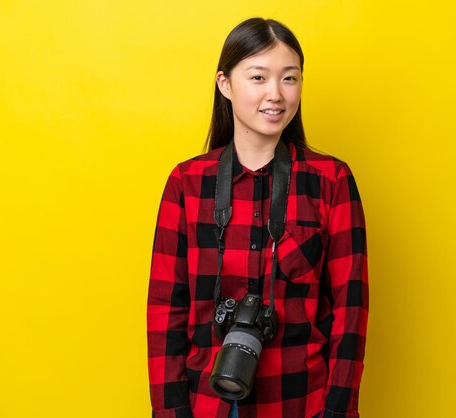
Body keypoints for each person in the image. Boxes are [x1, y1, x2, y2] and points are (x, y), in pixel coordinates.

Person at [147, 17, 368, 418]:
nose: (276, 94)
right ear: (225, 84)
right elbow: (165, 312)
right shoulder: (187, 183)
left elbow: (350, 311)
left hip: (299, 401)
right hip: (206, 403)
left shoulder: (331, 181)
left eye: (289, 78)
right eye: (258, 77)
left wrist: (337, 411)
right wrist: (170, 412)